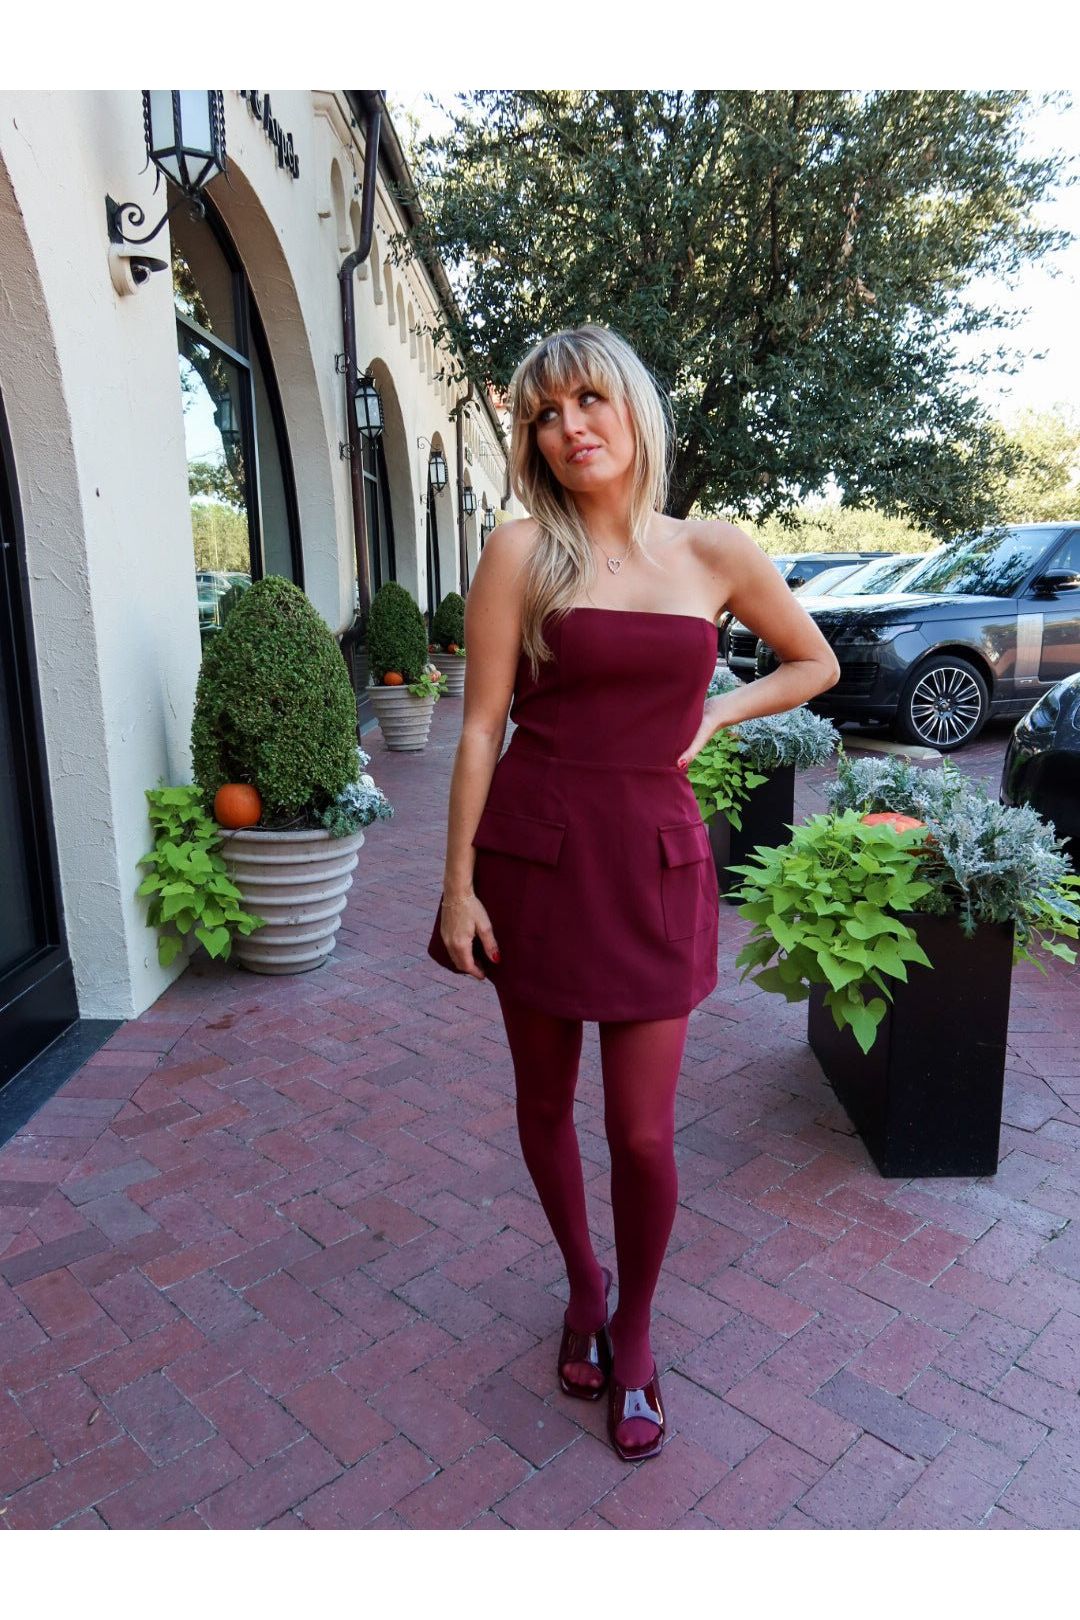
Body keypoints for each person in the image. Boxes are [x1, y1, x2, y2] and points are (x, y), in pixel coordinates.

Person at [429, 324, 839, 1463]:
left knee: (644, 1135)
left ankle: (639, 1328)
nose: (570, 427)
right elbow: (479, 727)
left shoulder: (714, 551)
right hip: (534, 860)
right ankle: (583, 1288)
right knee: (544, 1107)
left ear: (632, 407)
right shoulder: (521, 551)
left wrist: (715, 711)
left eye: (589, 400)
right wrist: (456, 887)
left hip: (655, 864)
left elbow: (813, 662)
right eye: (544, 414)